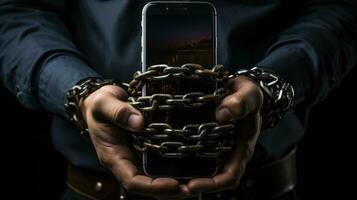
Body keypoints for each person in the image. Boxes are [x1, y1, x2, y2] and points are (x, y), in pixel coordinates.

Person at [0, 0, 356, 199]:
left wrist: (273, 83)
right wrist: (78, 91)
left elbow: (338, 8)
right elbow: (19, 11)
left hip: (263, 189)